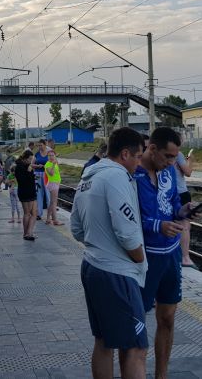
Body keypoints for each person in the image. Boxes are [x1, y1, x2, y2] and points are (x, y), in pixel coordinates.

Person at [70, 127, 147, 379]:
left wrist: (99, 243)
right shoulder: (117, 177)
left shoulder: (88, 176)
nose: (139, 163)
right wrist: (139, 257)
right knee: (135, 347)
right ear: (125, 153)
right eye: (138, 156)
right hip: (117, 272)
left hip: (92, 266)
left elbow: (76, 228)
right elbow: (126, 231)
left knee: (103, 342)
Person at [134, 127, 195, 379]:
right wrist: (158, 225)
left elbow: (171, 205)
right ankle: (136, 370)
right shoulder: (131, 175)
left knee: (168, 318)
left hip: (170, 256)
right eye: (168, 157)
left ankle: (162, 375)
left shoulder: (169, 171)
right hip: (144, 258)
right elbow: (129, 218)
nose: (172, 163)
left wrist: (184, 211)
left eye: (175, 157)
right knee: (137, 322)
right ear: (152, 149)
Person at [174, 147, 196, 268]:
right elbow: (188, 172)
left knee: (179, 223)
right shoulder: (178, 154)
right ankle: (185, 257)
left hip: (172, 192)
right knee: (185, 225)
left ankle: (180, 254)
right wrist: (190, 160)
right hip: (181, 192)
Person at [15, 149, 38, 241]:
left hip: (32, 191)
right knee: (27, 213)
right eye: (29, 159)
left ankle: (29, 232)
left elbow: (30, 178)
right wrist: (29, 171)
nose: (30, 161)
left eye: (32, 159)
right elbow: (22, 181)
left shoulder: (28, 166)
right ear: (24, 158)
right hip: (25, 192)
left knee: (34, 213)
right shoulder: (19, 167)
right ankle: (26, 234)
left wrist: (32, 174)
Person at [32, 139, 50, 220]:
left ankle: (50, 215)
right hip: (37, 175)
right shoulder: (37, 154)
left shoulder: (49, 153)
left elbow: (54, 163)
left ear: (45, 144)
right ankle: (39, 213)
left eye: (41, 145)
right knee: (38, 194)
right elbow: (31, 164)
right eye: (38, 146)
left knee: (48, 194)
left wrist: (46, 166)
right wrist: (37, 166)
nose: (39, 147)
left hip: (47, 175)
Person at [44, 150, 63, 226]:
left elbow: (57, 172)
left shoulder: (54, 162)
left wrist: (55, 160)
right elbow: (51, 174)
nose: (51, 157)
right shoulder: (48, 164)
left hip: (56, 183)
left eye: (52, 155)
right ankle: (55, 220)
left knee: (52, 202)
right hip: (53, 184)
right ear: (47, 156)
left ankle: (48, 219)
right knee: (54, 203)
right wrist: (53, 164)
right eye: (49, 155)